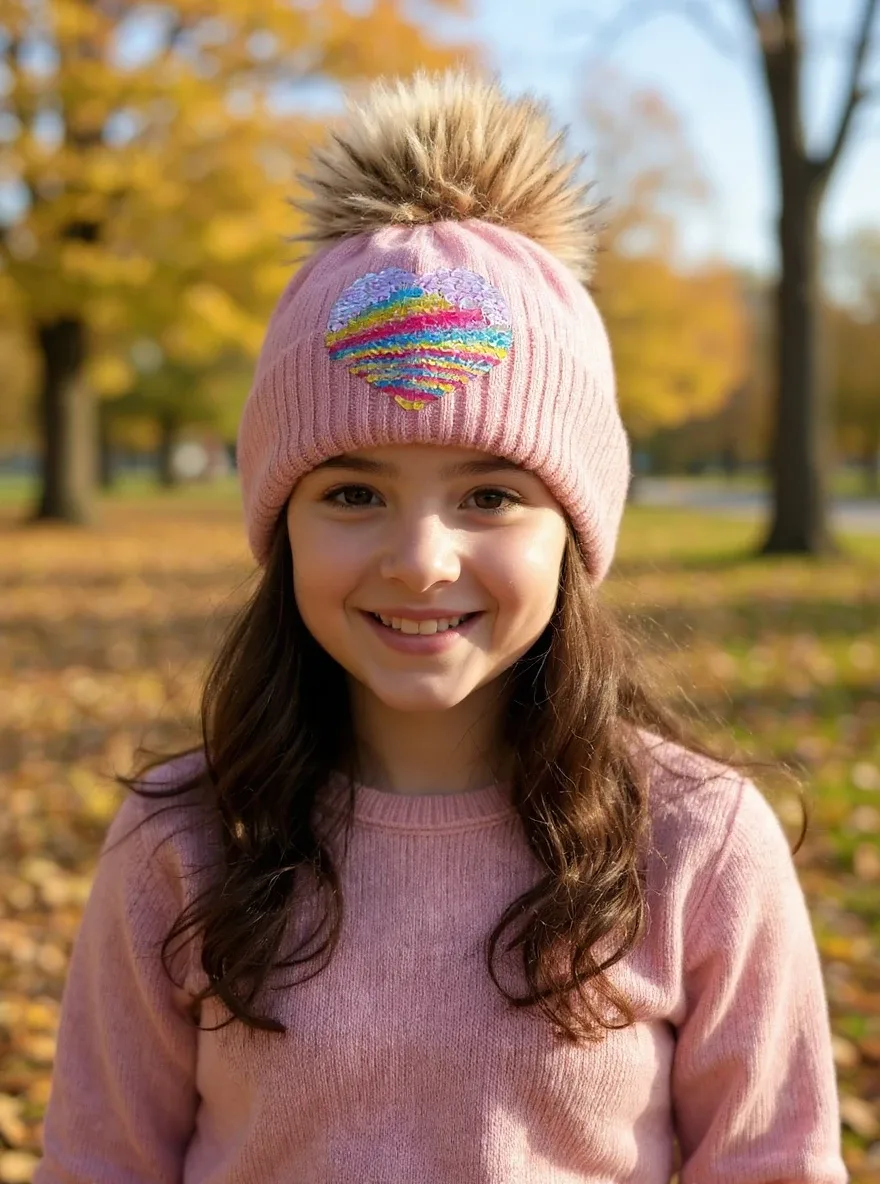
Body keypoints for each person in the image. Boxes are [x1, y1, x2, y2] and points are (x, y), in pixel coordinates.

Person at [33, 69, 847, 1183]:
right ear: (280, 526)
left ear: (575, 530)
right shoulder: (182, 842)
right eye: (353, 492)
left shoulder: (697, 846)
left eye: (491, 494)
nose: (421, 558)